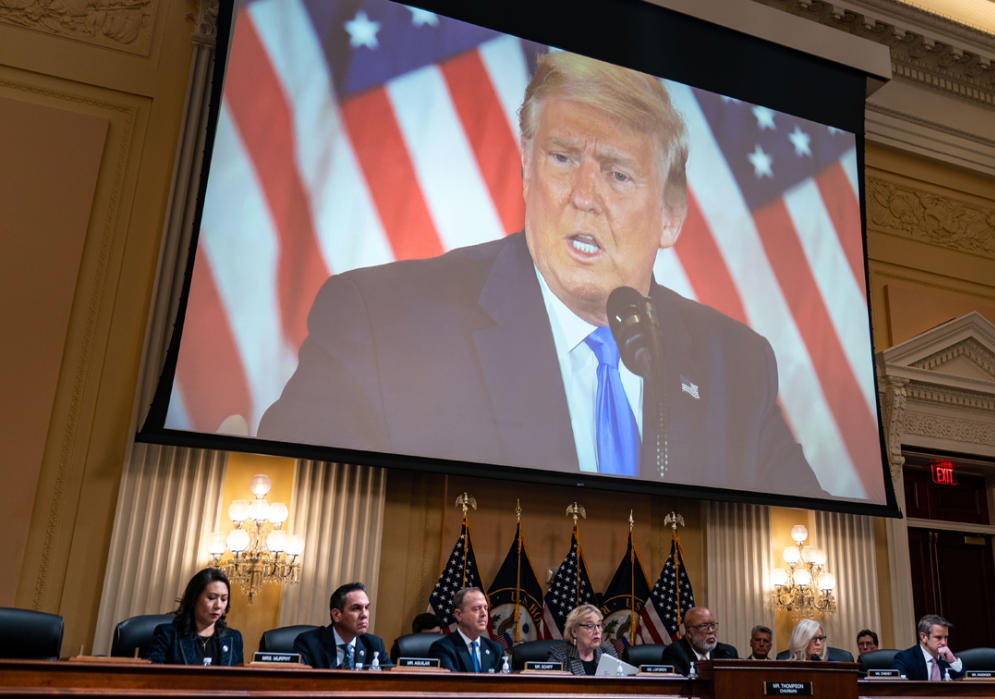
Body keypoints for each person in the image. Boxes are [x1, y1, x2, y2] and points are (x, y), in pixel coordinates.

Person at [257, 50, 818, 494]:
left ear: (671, 217)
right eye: (563, 157)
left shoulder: (736, 365)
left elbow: (799, 519)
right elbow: (292, 486)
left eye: (618, 174)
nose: (583, 196)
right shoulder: (381, 320)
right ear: (526, 169)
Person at [149, 568, 243, 665]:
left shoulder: (233, 638)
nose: (218, 605)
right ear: (194, 598)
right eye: (211, 598)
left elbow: (240, 678)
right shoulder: (168, 635)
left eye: (224, 599)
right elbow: (152, 676)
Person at [293, 582, 391, 669]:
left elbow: (392, 682)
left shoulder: (374, 645)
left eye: (367, 607)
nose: (364, 615)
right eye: (356, 608)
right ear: (336, 615)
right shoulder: (309, 643)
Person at [430, 587, 504, 673]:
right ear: (459, 615)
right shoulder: (442, 649)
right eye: (476, 609)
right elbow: (450, 684)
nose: (484, 613)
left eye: (485, 608)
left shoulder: (496, 649)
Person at [661, 606, 738, 675]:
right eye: (704, 626)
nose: (711, 631)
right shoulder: (674, 653)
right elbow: (677, 688)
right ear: (689, 633)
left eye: (712, 625)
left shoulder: (727, 652)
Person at [546, 604, 619, 675]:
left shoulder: (609, 653)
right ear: (574, 631)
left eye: (598, 625)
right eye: (590, 626)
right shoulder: (560, 657)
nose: (597, 631)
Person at [894, 614, 963, 680]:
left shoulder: (948, 658)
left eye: (946, 637)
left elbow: (964, 683)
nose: (944, 643)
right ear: (923, 637)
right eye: (938, 637)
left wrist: (952, 661)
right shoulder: (904, 659)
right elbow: (901, 687)